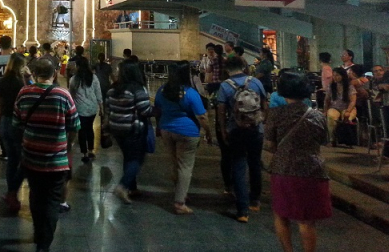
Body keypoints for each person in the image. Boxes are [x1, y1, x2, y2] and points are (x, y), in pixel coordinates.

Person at [13, 58, 79, 252]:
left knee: (35, 196)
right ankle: (43, 248)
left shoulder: (25, 93)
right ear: (54, 74)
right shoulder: (63, 94)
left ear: (34, 73)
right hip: (56, 159)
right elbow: (74, 124)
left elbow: (16, 122)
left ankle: (38, 233)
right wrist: (67, 146)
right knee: (52, 201)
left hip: (32, 156)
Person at [265, 71, 331, 252]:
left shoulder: (276, 114)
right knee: (307, 222)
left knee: (281, 215)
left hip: (284, 169)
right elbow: (323, 141)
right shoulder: (317, 116)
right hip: (312, 171)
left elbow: (269, 144)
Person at [154, 61, 211, 214]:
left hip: (167, 130)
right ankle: (180, 202)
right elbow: (202, 116)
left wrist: (159, 127)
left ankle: (180, 191)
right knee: (185, 166)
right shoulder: (190, 93)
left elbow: (157, 110)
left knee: (175, 163)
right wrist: (209, 132)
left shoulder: (162, 90)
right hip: (187, 132)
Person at [217, 56, 268, 222]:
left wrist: (224, 130)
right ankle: (255, 201)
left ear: (227, 69)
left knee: (238, 166)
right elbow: (265, 105)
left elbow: (221, 111)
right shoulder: (255, 82)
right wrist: (260, 121)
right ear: (243, 66)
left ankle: (242, 211)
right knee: (254, 164)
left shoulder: (225, 86)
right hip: (256, 129)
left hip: (236, 130)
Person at [104, 60, 154, 204]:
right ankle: (123, 185)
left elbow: (108, 108)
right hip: (133, 130)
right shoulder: (136, 89)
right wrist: (158, 111)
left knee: (128, 157)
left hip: (117, 129)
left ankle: (131, 188)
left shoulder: (113, 89)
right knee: (137, 159)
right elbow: (145, 110)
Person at [0, 53, 27, 213]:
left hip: (4, 122)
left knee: (12, 161)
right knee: (23, 160)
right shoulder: (20, 83)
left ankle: (11, 192)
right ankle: (12, 192)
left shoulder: (2, 81)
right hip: (16, 123)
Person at [69, 57, 103, 163]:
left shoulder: (74, 79)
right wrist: (101, 108)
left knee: (82, 130)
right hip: (92, 108)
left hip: (80, 109)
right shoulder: (94, 78)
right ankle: (91, 150)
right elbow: (98, 93)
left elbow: (71, 95)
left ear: (78, 66)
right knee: (89, 129)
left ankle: (84, 153)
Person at [324, 67, 357, 147]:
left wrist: (348, 111)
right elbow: (327, 100)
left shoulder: (349, 87)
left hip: (348, 107)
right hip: (334, 107)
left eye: (337, 75)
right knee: (331, 117)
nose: (335, 77)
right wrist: (325, 111)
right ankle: (332, 139)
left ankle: (347, 140)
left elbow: (353, 101)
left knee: (346, 118)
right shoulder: (331, 86)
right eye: (334, 75)